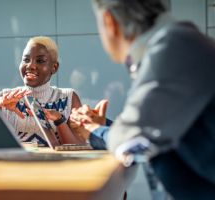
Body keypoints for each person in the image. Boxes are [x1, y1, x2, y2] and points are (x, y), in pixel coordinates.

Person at [69, 0, 215, 198]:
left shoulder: (172, 47)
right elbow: (149, 127)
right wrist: (100, 127)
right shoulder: (182, 41)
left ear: (109, 21)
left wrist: (93, 130)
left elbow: (130, 139)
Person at [0, 36, 83, 147]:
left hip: (56, 164)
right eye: (26, 60)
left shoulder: (69, 98)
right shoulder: (4, 98)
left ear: (54, 67)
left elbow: (80, 148)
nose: (30, 65)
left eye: (40, 61)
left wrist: (59, 120)